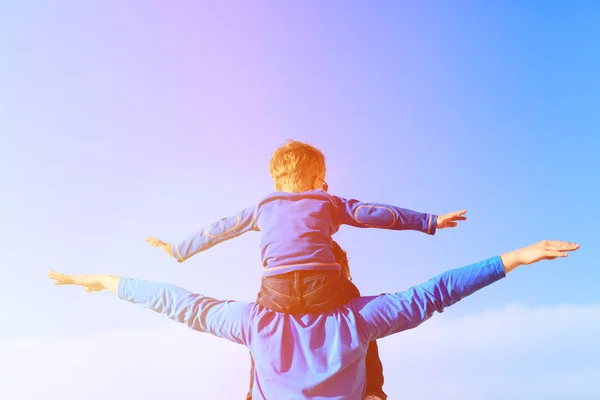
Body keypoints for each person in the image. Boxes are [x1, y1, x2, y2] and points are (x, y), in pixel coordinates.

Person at [48, 240, 579, 399]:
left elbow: (177, 301)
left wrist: (103, 281)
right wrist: (513, 258)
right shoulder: (361, 317)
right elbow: (433, 293)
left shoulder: (255, 321)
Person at [145, 140, 467, 398]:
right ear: (317, 179)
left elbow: (219, 229)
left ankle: (254, 391)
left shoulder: (261, 207)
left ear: (276, 179)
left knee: (261, 330)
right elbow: (373, 214)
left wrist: (178, 250)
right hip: (323, 287)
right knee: (359, 317)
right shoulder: (326, 201)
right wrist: (428, 222)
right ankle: (372, 389)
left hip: (276, 291)